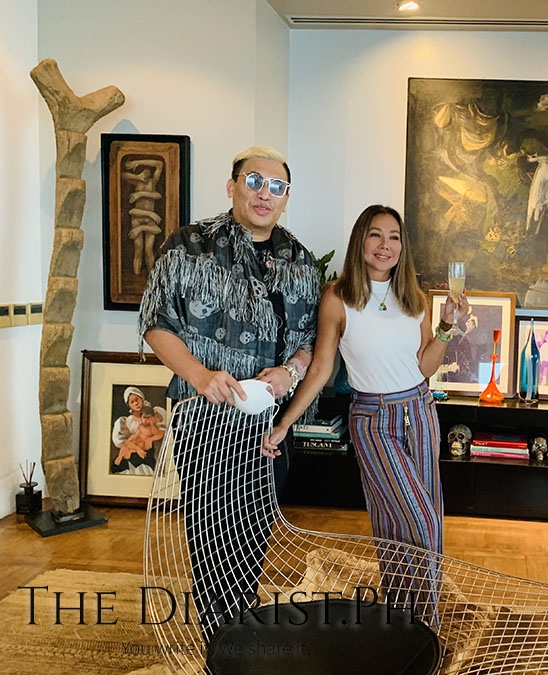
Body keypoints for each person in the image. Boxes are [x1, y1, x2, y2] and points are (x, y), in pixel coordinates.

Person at [138, 146, 321, 643]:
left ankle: (241, 635)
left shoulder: (301, 261)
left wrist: (289, 371)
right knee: (209, 538)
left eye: (277, 187)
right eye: (254, 181)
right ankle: (221, 644)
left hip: (268, 427)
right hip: (204, 419)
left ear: (286, 198)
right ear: (232, 186)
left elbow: (311, 343)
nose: (265, 194)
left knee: (253, 535)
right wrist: (200, 376)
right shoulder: (188, 246)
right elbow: (155, 324)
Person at [264, 204, 467, 613]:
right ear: (361, 240)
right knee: (419, 520)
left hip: (420, 412)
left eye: (394, 237)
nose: (384, 245)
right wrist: (285, 423)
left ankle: (408, 618)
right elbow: (321, 368)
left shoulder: (414, 297)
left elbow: (425, 367)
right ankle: (421, 622)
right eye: (376, 234)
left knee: (405, 524)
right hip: (373, 420)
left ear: (402, 247)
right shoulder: (338, 299)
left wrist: (446, 327)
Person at [111, 386, 166, 476]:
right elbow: (126, 442)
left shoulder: (154, 414)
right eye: (132, 402)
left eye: (137, 400)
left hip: (151, 453)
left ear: (142, 398)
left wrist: (151, 439)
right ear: (129, 405)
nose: (136, 403)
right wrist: (136, 449)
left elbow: (161, 432)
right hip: (134, 453)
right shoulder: (127, 421)